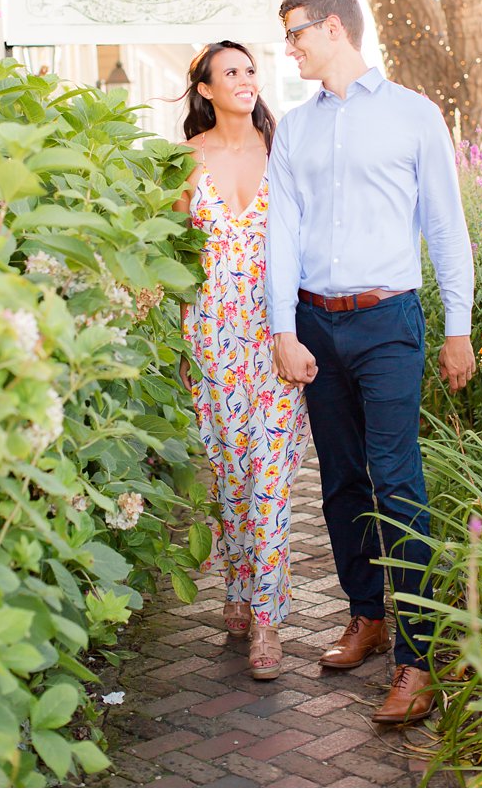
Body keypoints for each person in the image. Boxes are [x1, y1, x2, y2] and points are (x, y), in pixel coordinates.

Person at [267, 0, 474, 725]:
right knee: (342, 483)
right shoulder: (293, 129)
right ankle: (366, 613)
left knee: (399, 483)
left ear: (333, 28)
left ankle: (415, 660)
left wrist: (459, 327)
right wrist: (283, 328)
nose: (287, 47)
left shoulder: (414, 115)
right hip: (317, 326)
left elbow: (446, 226)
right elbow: (281, 233)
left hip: (389, 320)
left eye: (295, 34)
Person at [176, 41, 309, 681]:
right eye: (231, 72)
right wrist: (177, 341)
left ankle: (267, 619)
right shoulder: (184, 163)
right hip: (211, 339)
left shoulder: (283, 150)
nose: (246, 80)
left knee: (271, 478)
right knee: (230, 474)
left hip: (275, 335)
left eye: (251, 70)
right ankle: (236, 581)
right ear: (204, 88)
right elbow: (172, 256)